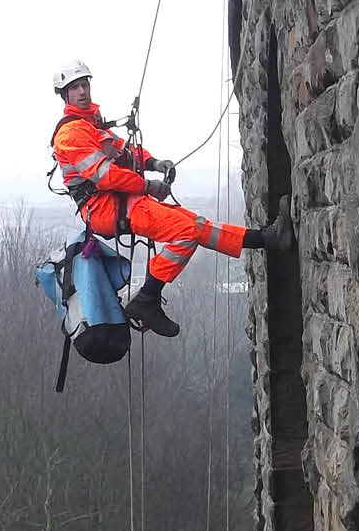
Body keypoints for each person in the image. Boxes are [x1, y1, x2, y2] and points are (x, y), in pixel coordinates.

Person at [50, 60, 290, 337]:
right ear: (64, 94)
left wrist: (154, 162)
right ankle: (147, 299)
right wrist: (147, 185)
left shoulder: (91, 126)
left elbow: (124, 151)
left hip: (119, 201)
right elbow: (105, 176)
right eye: (75, 87)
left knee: (194, 225)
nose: (82, 91)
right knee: (185, 231)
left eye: (84, 84)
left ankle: (268, 238)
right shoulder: (72, 133)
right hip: (104, 208)